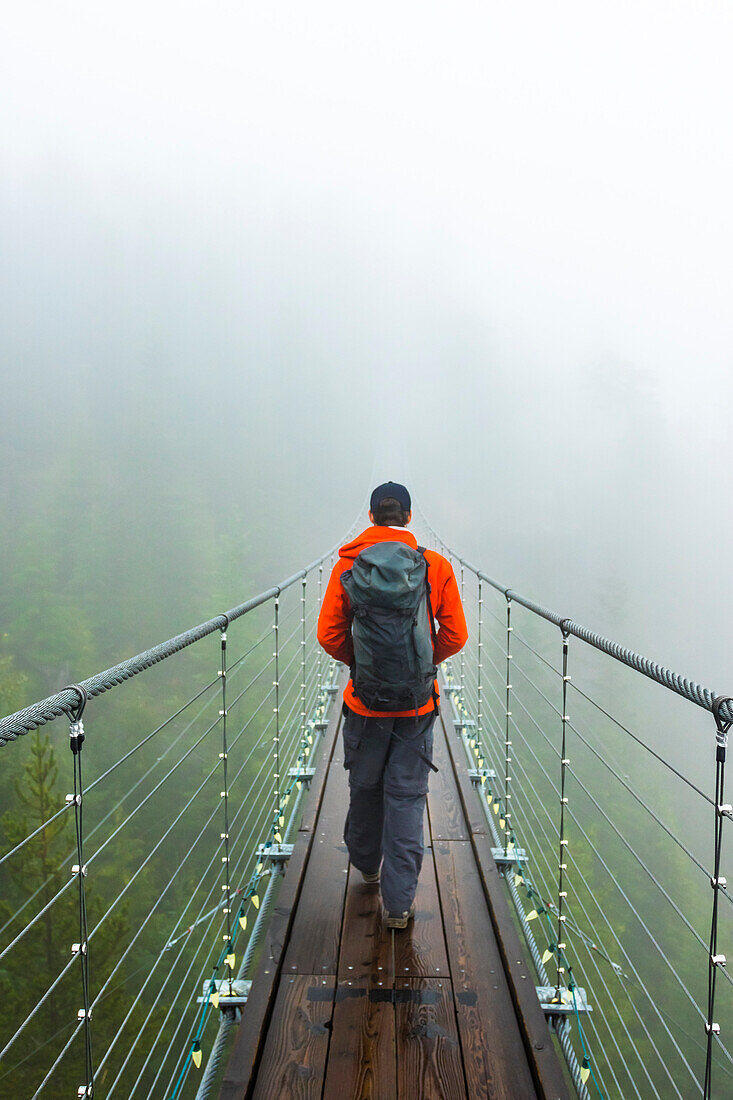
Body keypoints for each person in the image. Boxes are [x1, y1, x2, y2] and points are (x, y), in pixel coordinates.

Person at [317, 482, 468, 928]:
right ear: (407, 517)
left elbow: (329, 636)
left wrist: (362, 665)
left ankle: (366, 866)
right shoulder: (434, 566)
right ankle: (399, 906)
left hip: (364, 704)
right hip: (416, 709)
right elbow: (456, 636)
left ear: (370, 516)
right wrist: (422, 666)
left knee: (364, 786)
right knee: (406, 798)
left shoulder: (347, 566)